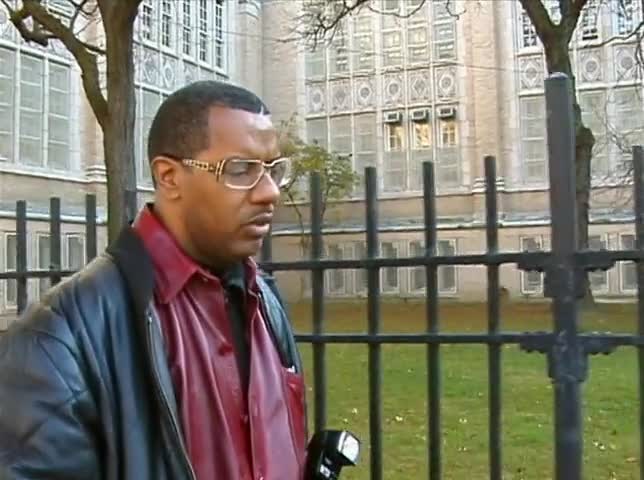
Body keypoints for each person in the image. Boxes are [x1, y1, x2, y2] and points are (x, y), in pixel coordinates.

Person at [0, 81, 307, 480]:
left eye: (273, 170)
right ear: (169, 176)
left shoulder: (264, 301)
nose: (269, 193)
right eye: (240, 170)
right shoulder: (60, 336)